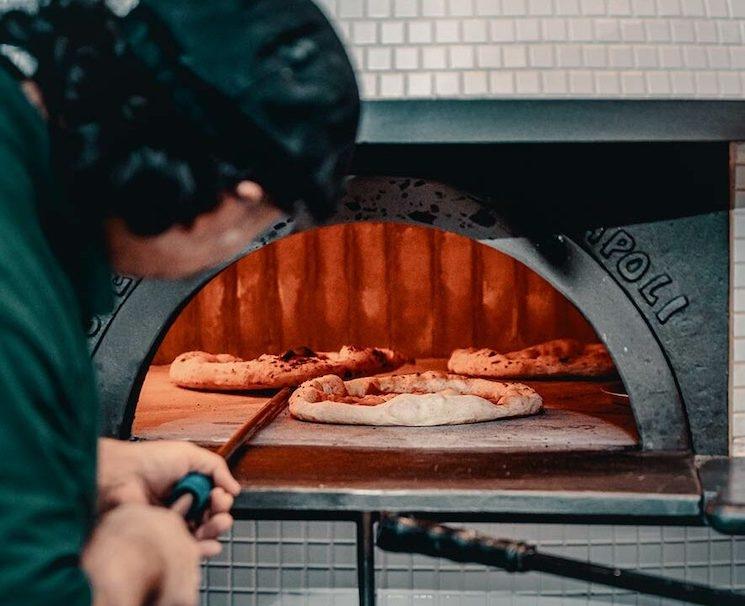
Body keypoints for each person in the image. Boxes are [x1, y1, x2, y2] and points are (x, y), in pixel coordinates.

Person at [0, 1, 359, 604]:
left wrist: (81, 467)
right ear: (239, 194)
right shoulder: (15, 298)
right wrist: (148, 549)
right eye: (263, 224)